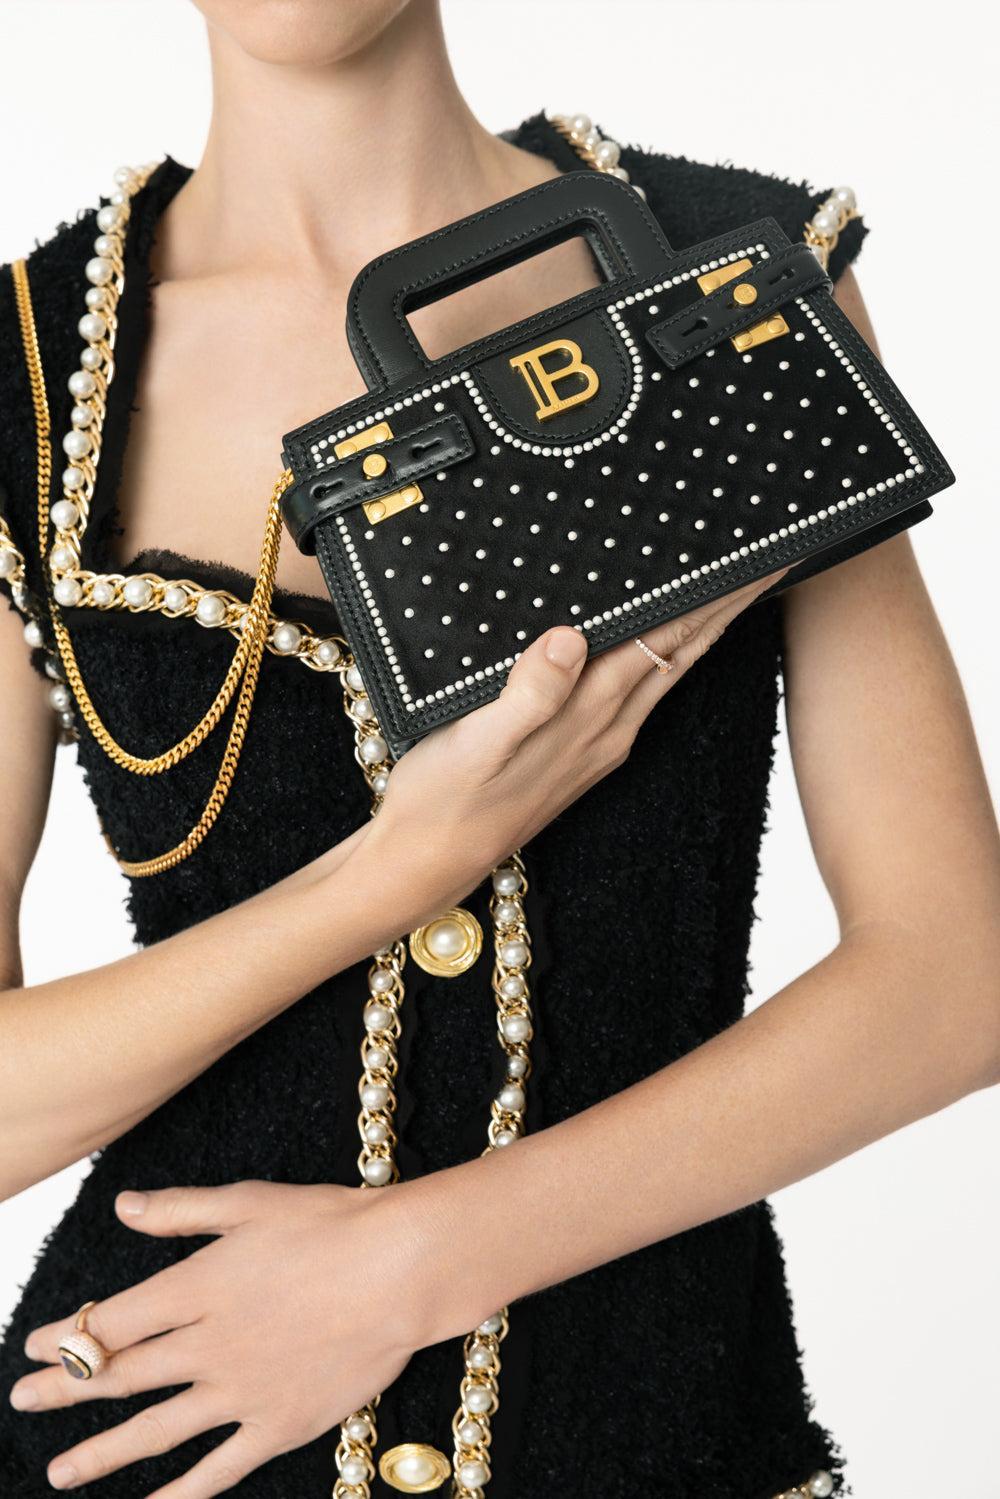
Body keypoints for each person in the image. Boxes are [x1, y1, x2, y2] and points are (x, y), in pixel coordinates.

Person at [0, 2, 997, 1496]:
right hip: (147, 1439)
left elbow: (953, 980)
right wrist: (406, 866)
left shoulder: (734, 274)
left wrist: (412, 1264)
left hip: (663, 1436)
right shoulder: (22, 379)